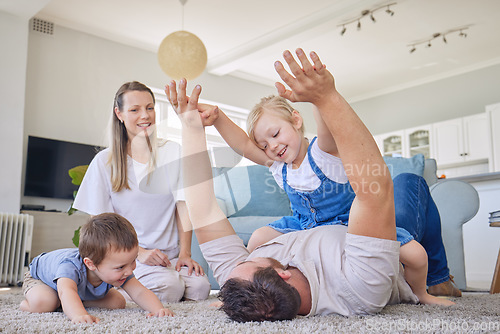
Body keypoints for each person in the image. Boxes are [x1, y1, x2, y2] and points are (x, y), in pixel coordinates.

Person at [167, 49, 457, 323]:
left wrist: (191, 124)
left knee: (259, 236)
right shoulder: (359, 288)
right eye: (251, 259)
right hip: (359, 227)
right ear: (282, 275)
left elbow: (202, 210)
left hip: (318, 221)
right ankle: (433, 283)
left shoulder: (248, 282)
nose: (247, 255)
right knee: (408, 184)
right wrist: (325, 98)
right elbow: (373, 190)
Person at [73, 81, 211, 303]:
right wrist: (141, 253)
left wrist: (185, 253)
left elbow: (183, 205)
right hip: (132, 259)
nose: (144, 116)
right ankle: (112, 294)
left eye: (149, 108)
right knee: (170, 288)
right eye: (134, 110)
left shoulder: (173, 151)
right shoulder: (104, 161)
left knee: (201, 288)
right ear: (119, 114)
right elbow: (100, 223)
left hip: (171, 257)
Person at [20, 213, 174, 324]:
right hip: (41, 280)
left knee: (117, 302)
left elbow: (140, 291)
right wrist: (78, 315)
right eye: (120, 267)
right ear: (91, 264)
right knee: (45, 302)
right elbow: (66, 291)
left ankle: (68, 303)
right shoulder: (69, 267)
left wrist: (158, 309)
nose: (129, 271)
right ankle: (31, 304)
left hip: (73, 289)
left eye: (133, 261)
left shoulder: (120, 269)